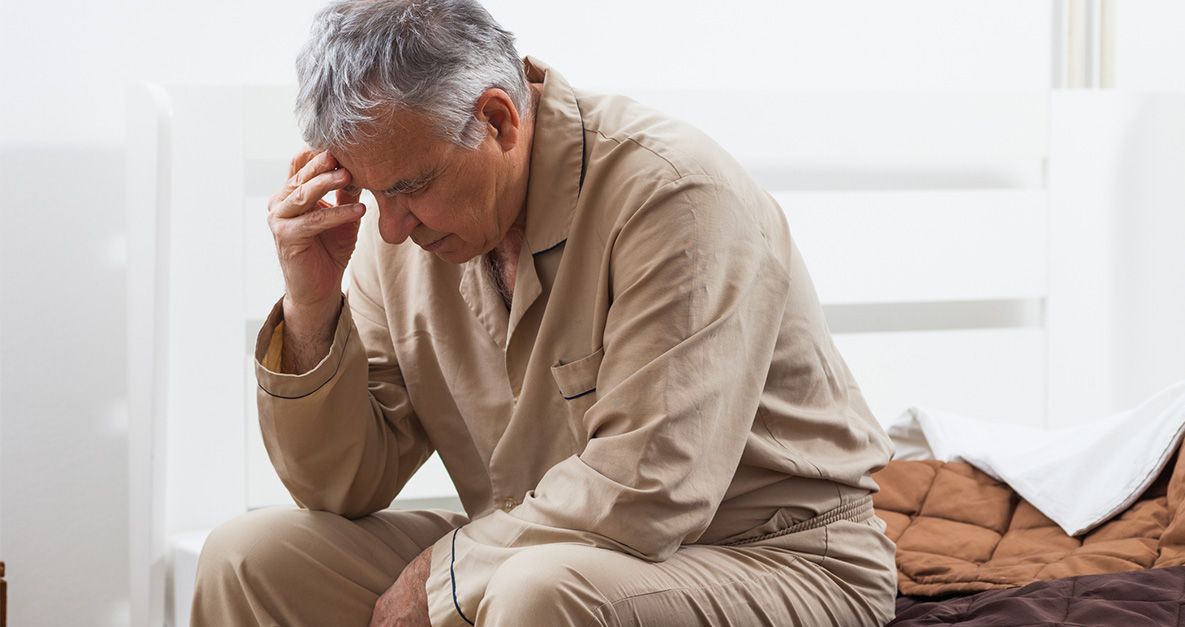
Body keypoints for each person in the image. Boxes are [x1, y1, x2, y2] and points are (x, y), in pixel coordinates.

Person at [191, 0, 897, 625]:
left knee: (536, 594)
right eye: (374, 195)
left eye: (409, 188)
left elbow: (648, 490)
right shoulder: (399, 232)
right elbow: (341, 483)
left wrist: (446, 580)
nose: (391, 229)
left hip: (775, 555)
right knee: (246, 558)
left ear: (497, 120)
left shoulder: (678, 195)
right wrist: (311, 306)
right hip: (536, 550)